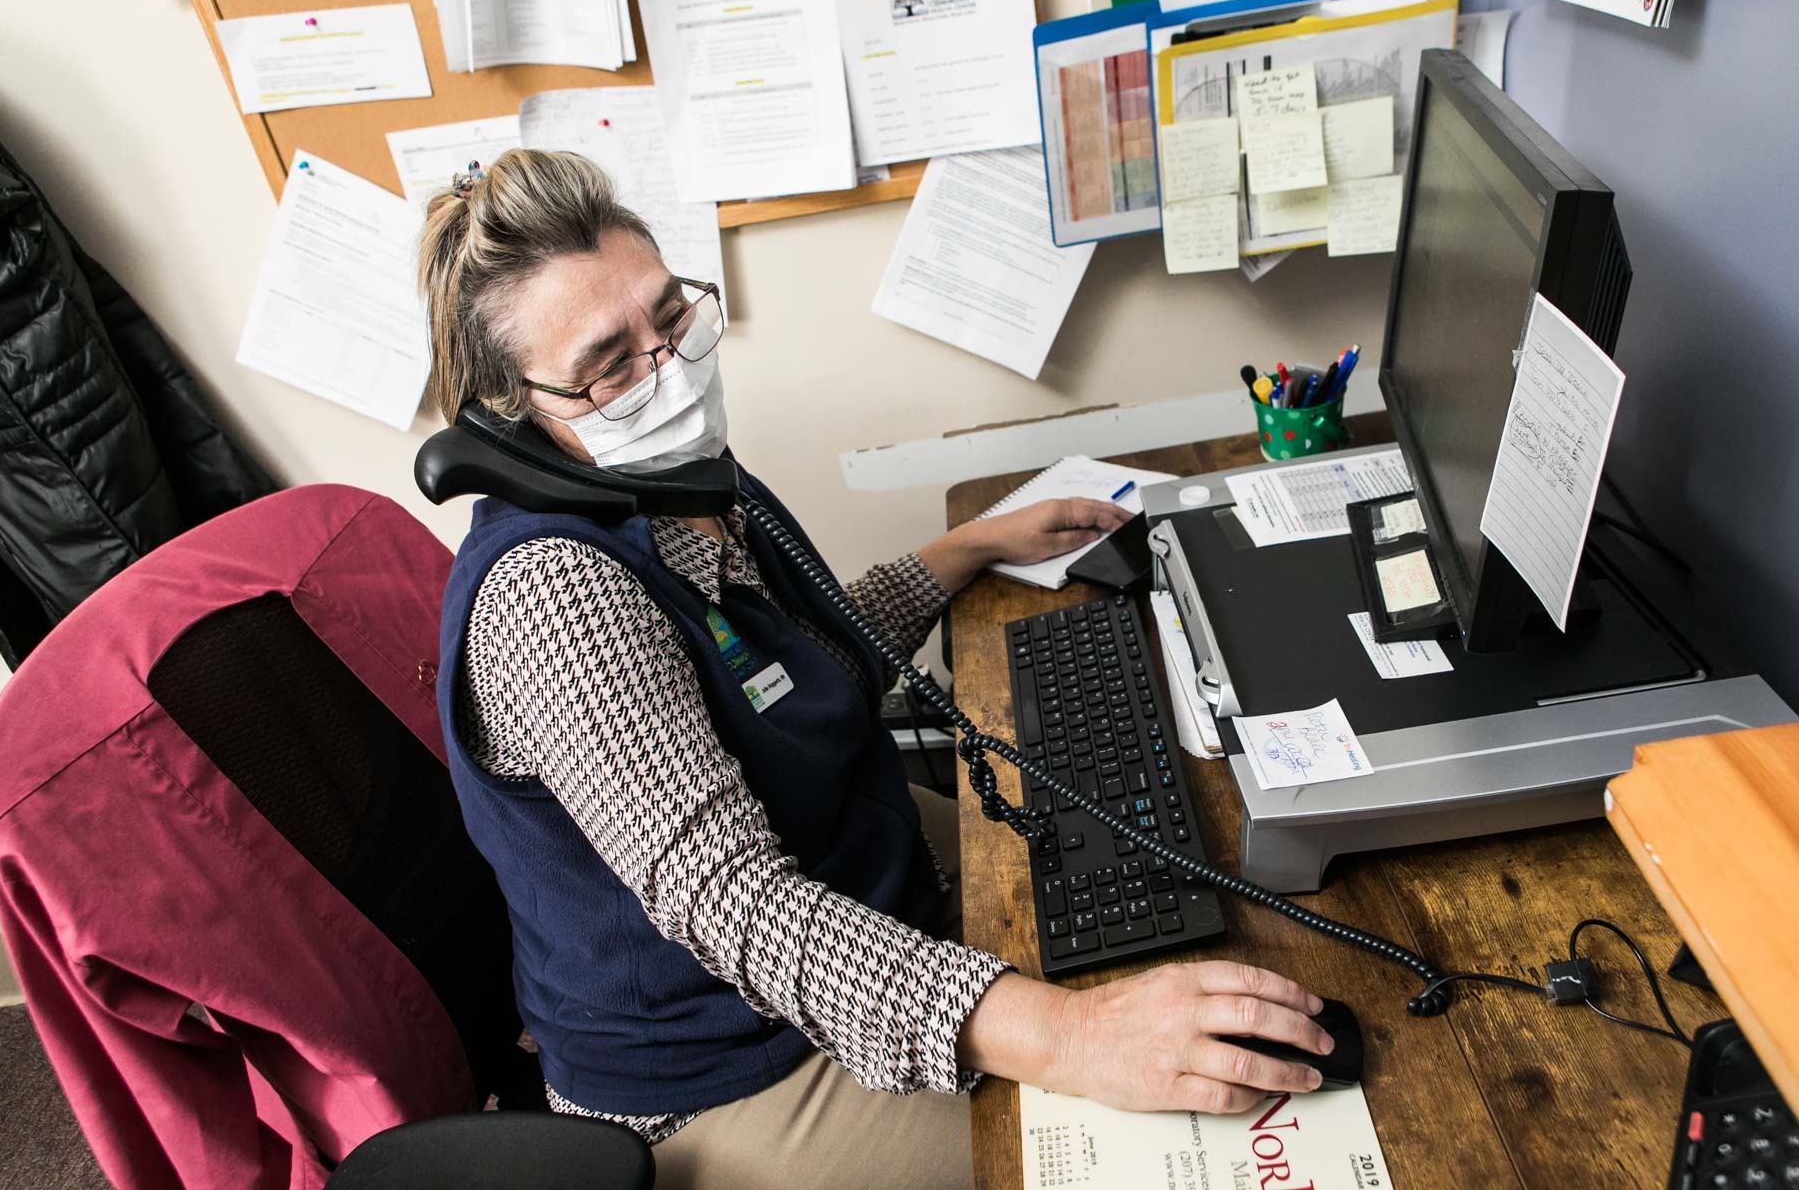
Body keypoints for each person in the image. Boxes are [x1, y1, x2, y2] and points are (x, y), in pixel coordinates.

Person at [417, 150, 1335, 1190]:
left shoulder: (671, 479)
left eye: (673, 319)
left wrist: (973, 545)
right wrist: (1070, 1034)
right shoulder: (555, 599)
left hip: (856, 875)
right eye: (612, 363)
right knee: (1176, 1143)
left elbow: (789, 661)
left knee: (1189, 891)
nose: (671, 372)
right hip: (734, 1063)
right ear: (511, 418)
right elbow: (739, 908)